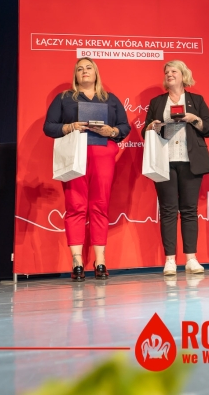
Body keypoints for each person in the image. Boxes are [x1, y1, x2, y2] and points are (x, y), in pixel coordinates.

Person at [43, 57, 130, 281]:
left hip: (103, 156)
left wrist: (111, 131)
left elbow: (124, 127)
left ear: (96, 72)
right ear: (75, 75)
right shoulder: (64, 98)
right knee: (75, 206)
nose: (84, 71)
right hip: (75, 156)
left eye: (88, 67)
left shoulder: (110, 99)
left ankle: (100, 260)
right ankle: (77, 261)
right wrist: (70, 126)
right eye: (80, 68)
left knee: (100, 206)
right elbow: (49, 127)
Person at [144, 60, 209, 275]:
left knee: (189, 210)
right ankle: (170, 261)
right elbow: (145, 131)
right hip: (164, 161)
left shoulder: (196, 100)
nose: (169, 74)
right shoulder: (157, 102)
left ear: (183, 75)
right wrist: (152, 126)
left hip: (190, 161)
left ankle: (191, 259)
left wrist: (194, 119)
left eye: (173, 71)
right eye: (166, 72)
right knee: (168, 210)